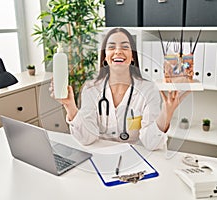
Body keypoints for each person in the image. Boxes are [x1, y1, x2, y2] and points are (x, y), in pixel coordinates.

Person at [50, 28, 188, 151]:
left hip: (138, 161)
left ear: (132, 56)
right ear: (104, 57)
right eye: (111, 47)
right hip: (103, 158)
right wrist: (70, 107)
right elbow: (87, 138)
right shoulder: (90, 89)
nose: (118, 51)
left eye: (125, 47)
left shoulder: (148, 89)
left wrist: (166, 113)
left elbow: (150, 143)